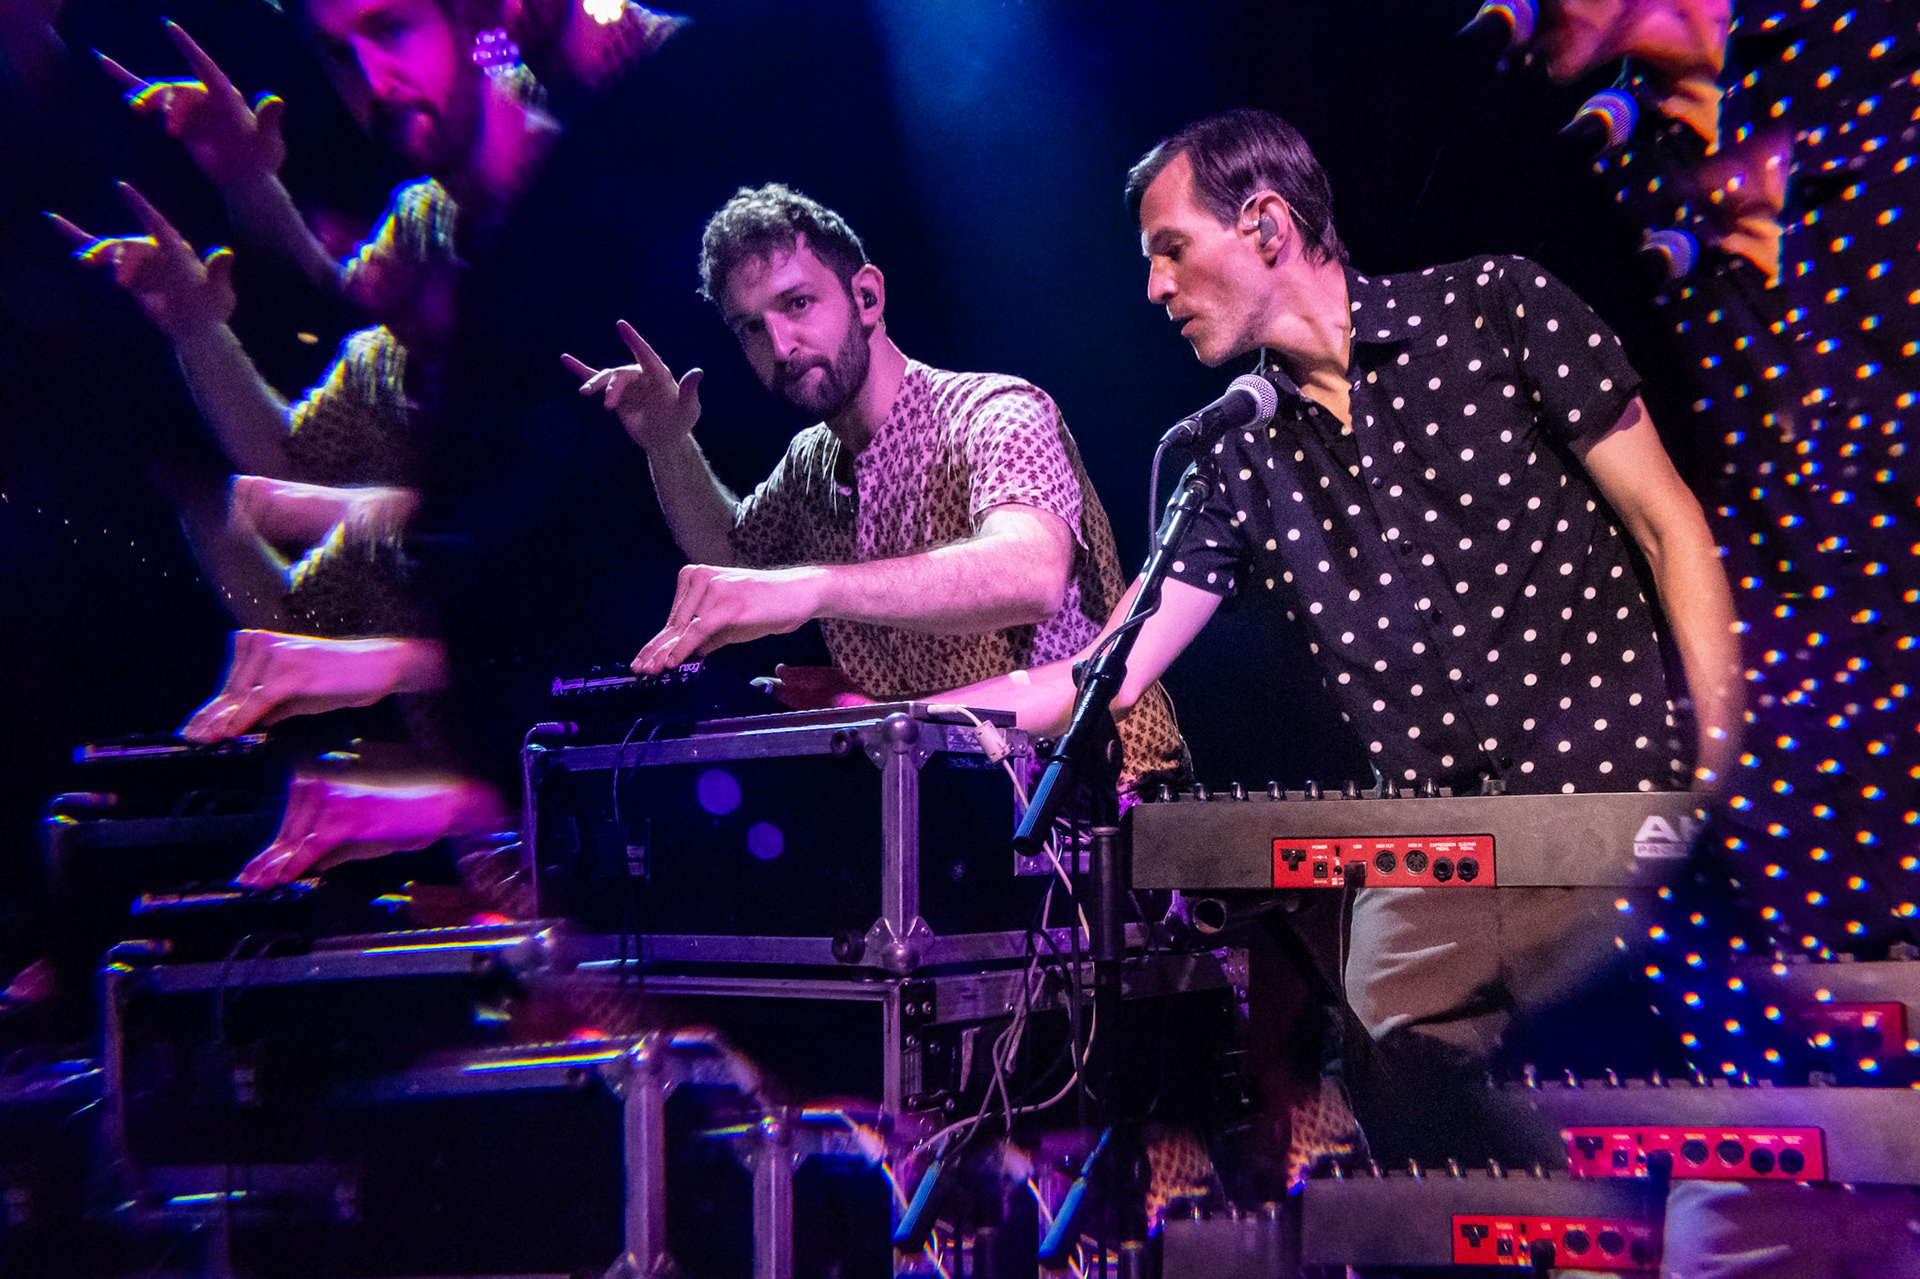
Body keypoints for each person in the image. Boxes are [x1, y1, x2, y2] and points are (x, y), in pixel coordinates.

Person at [945, 107, 1744, 1164]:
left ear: (1267, 225)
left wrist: (1724, 775)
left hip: (1611, 814)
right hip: (1430, 864)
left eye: (1171, 250)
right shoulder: (1232, 460)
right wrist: (912, 719)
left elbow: (1668, 524)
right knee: (1425, 1140)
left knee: (1660, 1143)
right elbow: (1107, 673)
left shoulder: (1496, 308)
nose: (1154, 289)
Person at [564, 183, 1186, 792]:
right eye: (751, 327)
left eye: (798, 303)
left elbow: (1032, 573)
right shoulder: (809, 464)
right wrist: (668, 444)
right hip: (952, 810)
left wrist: (812, 587)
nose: (780, 345)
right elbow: (731, 562)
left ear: (866, 296)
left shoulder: (995, 411)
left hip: (1108, 805)